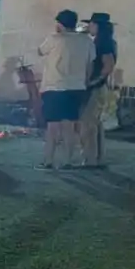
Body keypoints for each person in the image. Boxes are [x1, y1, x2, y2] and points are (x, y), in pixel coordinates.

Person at [36, 9, 94, 169]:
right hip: (77, 88)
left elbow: (40, 51)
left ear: (60, 24)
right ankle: (68, 161)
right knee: (70, 126)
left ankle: (48, 161)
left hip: (54, 87)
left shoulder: (54, 39)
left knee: (53, 126)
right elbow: (90, 65)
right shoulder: (87, 41)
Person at [80, 13, 117, 167]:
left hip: (96, 87)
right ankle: (97, 158)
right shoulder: (103, 41)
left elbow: (108, 65)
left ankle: (90, 159)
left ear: (98, 26)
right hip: (98, 86)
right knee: (95, 124)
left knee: (88, 123)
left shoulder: (104, 43)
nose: (89, 27)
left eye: (91, 24)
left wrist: (93, 82)